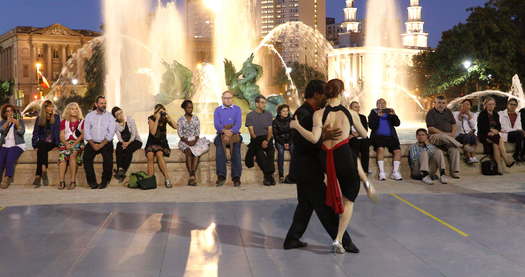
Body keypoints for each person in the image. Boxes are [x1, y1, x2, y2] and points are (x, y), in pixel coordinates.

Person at [288, 79, 369, 254]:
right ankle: (343, 241)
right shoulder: (304, 113)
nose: (326, 95)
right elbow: (301, 142)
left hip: (307, 168)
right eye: (323, 92)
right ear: (317, 94)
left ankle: (291, 239)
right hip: (308, 169)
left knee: (305, 206)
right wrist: (325, 135)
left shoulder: (316, 112)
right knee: (325, 208)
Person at [83, 96, 116, 189]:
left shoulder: (110, 116)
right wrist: (93, 144)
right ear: (96, 104)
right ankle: (92, 182)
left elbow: (111, 133)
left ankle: (104, 181)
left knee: (108, 161)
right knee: (86, 159)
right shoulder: (89, 116)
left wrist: (101, 145)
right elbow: (86, 132)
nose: (103, 105)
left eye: (105, 103)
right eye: (101, 103)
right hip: (92, 142)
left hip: (105, 142)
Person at [426, 96, 462, 179]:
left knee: (454, 150)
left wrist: (453, 133)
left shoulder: (448, 112)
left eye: (443, 103)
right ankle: (460, 144)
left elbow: (454, 124)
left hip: (448, 138)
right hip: (435, 137)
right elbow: (430, 128)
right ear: (435, 103)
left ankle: (455, 172)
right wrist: (445, 134)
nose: (441, 105)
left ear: (446, 104)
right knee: (442, 136)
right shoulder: (431, 112)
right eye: (439, 103)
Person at [477, 97, 515, 174]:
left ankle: (499, 167)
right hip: (484, 135)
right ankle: (506, 160)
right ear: (485, 105)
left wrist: (496, 131)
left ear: (495, 105)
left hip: (494, 135)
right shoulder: (482, 114)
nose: (491, 106)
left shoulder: (495, 114)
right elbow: (481, 127)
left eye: (493, 104)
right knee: (498, 139)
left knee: (496, 144)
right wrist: (490, 131)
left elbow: (499, 126)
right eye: (489, 104)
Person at [368, 98, 403, 181]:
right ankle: (382, 172)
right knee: (380, 149)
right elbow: (371, 126)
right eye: (379, 103)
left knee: (397, 151)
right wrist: (377, 116)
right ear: (376, 105)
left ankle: (395, 172)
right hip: (378, 137)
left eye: (383, 103)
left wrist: (394, 114)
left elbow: (397, 123)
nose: (382, 104)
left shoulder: (389, 112)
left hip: (391, 137)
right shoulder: (373, 112)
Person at [213, 90, 243, 187]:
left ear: (232, 99)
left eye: (230, 98)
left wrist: (231, 132)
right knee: (219, 150)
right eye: (226, 98)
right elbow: (217, 124)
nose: (228, 100)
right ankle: (221, 176)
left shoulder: (237, 109)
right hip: (221, 133)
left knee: (236, 150)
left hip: (234, 134)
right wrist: (224, 132)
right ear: (222, 99)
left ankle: (236, 177)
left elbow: (238, 123)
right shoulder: (217, 110)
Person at [177, 100, 210, 186]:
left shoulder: (196, 118)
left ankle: (192, 175)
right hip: (185, 141)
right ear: (184, 108)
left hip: (195, 140)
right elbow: (180, 134)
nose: (190, 109)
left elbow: (197, 133)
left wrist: (194, 141)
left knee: (196, 153)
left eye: (191, 107)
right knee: (188, 151)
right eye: (188, 107)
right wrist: (187, 142)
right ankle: (192, 175)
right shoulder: (180, 120)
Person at [245, 95, 276, 186]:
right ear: (257, 104)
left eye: (265, 103)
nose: (264, 105)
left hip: (267, 138)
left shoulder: (268, 114)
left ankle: (267, 176)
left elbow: (270, 130)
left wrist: (266, 140)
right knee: (259, 153)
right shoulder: (250, 115)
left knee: (271, 151)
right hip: (256, 139)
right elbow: (252, 133)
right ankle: (269, 176)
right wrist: (260, 141)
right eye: (262, 103)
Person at [145, 104, 177, 188]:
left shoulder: (165, 119)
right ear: (155, 112)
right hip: (152, 142)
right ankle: (150, 180)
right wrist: (157, 119)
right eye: (160, 112)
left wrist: (168, 116)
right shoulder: (151, 119)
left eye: (163, 111)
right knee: (150, 155)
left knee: (159, 154)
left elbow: (175, 126)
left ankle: (167, 178)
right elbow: (153, 132)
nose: (161, 113)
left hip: (161, 143)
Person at [31, 100, 60, 188]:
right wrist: (34, 145)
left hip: (52, 142)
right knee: (42, 145)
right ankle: (43, 169)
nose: (50, 108)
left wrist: (57, 144)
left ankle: (38, 175)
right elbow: (35, 133)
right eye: (48, 106)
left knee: (41, 148)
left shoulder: (56, 117)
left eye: (51, 106)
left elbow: (57, 132)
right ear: (44, 108)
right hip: (42, 142)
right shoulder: (39, 119)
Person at [58, 102, 85, 190]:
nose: (75, 110)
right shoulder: (64, 122)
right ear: (68, 111)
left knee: (72, 155)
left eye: (76, 109)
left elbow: (82, 136)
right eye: (72, 109)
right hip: (65, 142)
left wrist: (73, 144)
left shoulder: (82, 122)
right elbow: (61, 135)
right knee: (62, 158)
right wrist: (66, 143)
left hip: (77, 143)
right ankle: (61, 181)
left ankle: (73, 181)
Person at [112, 107, 143, 182]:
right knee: (118, 148)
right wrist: (123, 142)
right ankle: (120, 169)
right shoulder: (115, 123)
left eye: (121, 112)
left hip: (135, 141)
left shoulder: (130, 119)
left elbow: (134, 134)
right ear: (115, 117)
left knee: (128, 150)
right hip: (124, 142)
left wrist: (128, 143)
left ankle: (123, 171)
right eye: (118, 114)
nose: (120, 115)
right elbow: (118, 136)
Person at [0, 104, 26, 189]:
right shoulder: (3, 122)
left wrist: (17, 124)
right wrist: (8, 121)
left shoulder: (20, 121)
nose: (10, 113)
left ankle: (7, 178)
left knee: (10, 157)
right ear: (4, 113)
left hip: (17, 145)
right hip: (5, 145)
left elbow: (21, 132)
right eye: (7, 111)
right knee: (1, 159)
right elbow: (2, 130)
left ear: (14, 112)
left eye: (11, 111)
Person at [272, 104, 295, 183]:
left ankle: (293, 174)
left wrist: (288, 142)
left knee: (293, 151)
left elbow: (293, 133)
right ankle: (281, 175)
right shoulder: (275, 121)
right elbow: (275, 135)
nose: (286, 112)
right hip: (279, 141)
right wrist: (283, 143)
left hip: (290, 140)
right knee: (281, 152)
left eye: (287, 111)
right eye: (283, 111)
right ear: (279, 112)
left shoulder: (291, 120)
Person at [452, 99, 479, 164]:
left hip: (469, 135)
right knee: (466, 136)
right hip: (459, 135)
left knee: (474, 137)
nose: (465, 106)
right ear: (461, 106)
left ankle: (473, 157)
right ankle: (469, 157)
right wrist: (460, 114)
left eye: (468, 104)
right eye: (464, 104)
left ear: (470, 107)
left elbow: (473, 126)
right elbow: (456, 125)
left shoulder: (473, 115)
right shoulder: (455, 114)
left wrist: (468, 115)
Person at [349, 101, 370, 174]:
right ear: (350, 108)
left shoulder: (363, 117)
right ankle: (355, 171)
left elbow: (365, 130)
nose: (358, 109)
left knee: (365, 152)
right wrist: (353, 135)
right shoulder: (347, 118)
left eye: (358, 107)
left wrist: (355, 134)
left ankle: (365, 171)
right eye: (355, 107)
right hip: (353, 139)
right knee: (354, 151)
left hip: (362, 138)